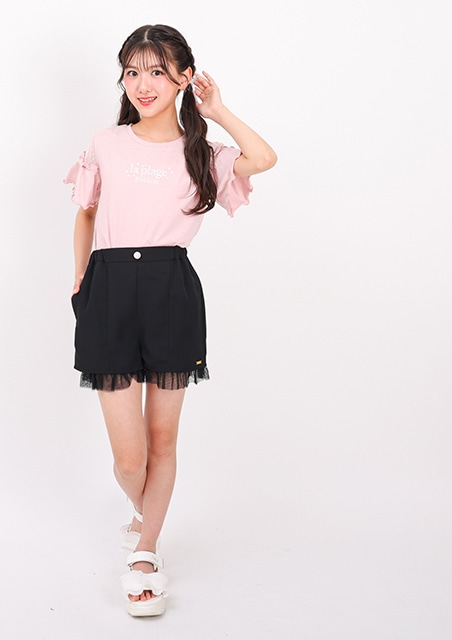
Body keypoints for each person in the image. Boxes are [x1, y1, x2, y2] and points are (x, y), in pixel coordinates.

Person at [64, 24, 277, 617]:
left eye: (158, 71)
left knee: (163, 439)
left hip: (171, 292)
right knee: (129, 459)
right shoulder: (106, 143)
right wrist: (80, 278)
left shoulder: (201, 153)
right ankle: (145, 511)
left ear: (184, 77)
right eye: (132, 72)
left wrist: (217, 110)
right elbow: (86, 213)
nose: (143, 84)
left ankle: (146, 551)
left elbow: (264, 158)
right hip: (108, 290)